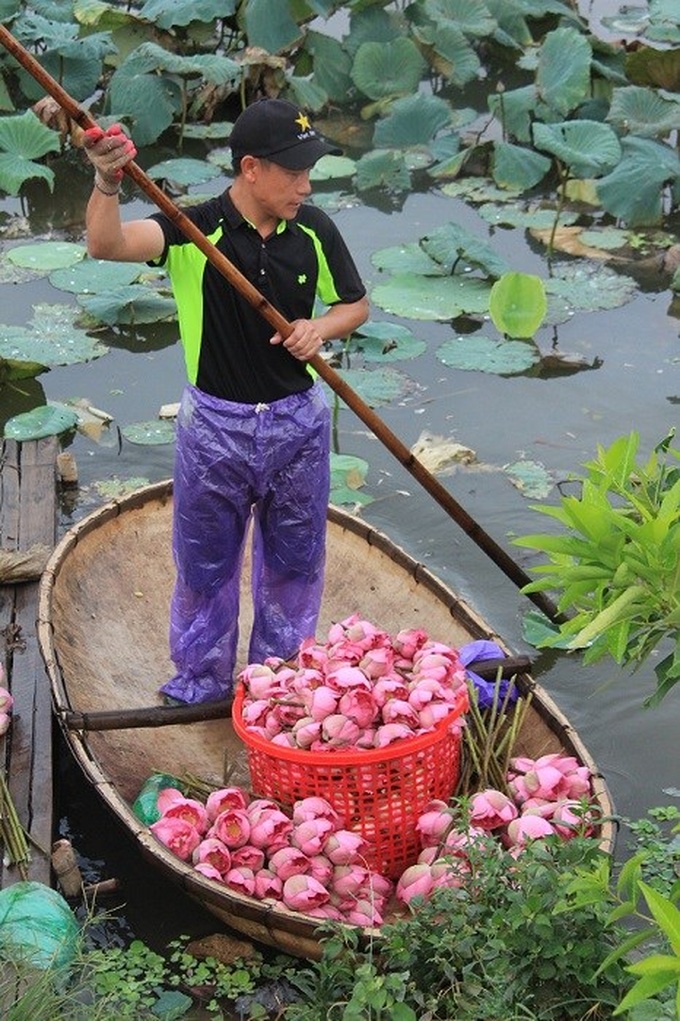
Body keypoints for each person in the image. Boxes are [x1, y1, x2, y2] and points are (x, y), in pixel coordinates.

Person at [83, 98, 369, 704]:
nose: (305, 184)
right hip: (216, 427)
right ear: (251, 169)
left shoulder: (314, 228)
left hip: (298, 424)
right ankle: (201, 682)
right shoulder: (192, 230)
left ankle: (279, 684)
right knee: (205, 567)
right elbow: (106, 244)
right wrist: (108, 180)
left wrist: (321, 329)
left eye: (308, 171)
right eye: (293, 172)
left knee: (294, 562)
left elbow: (354, 304)